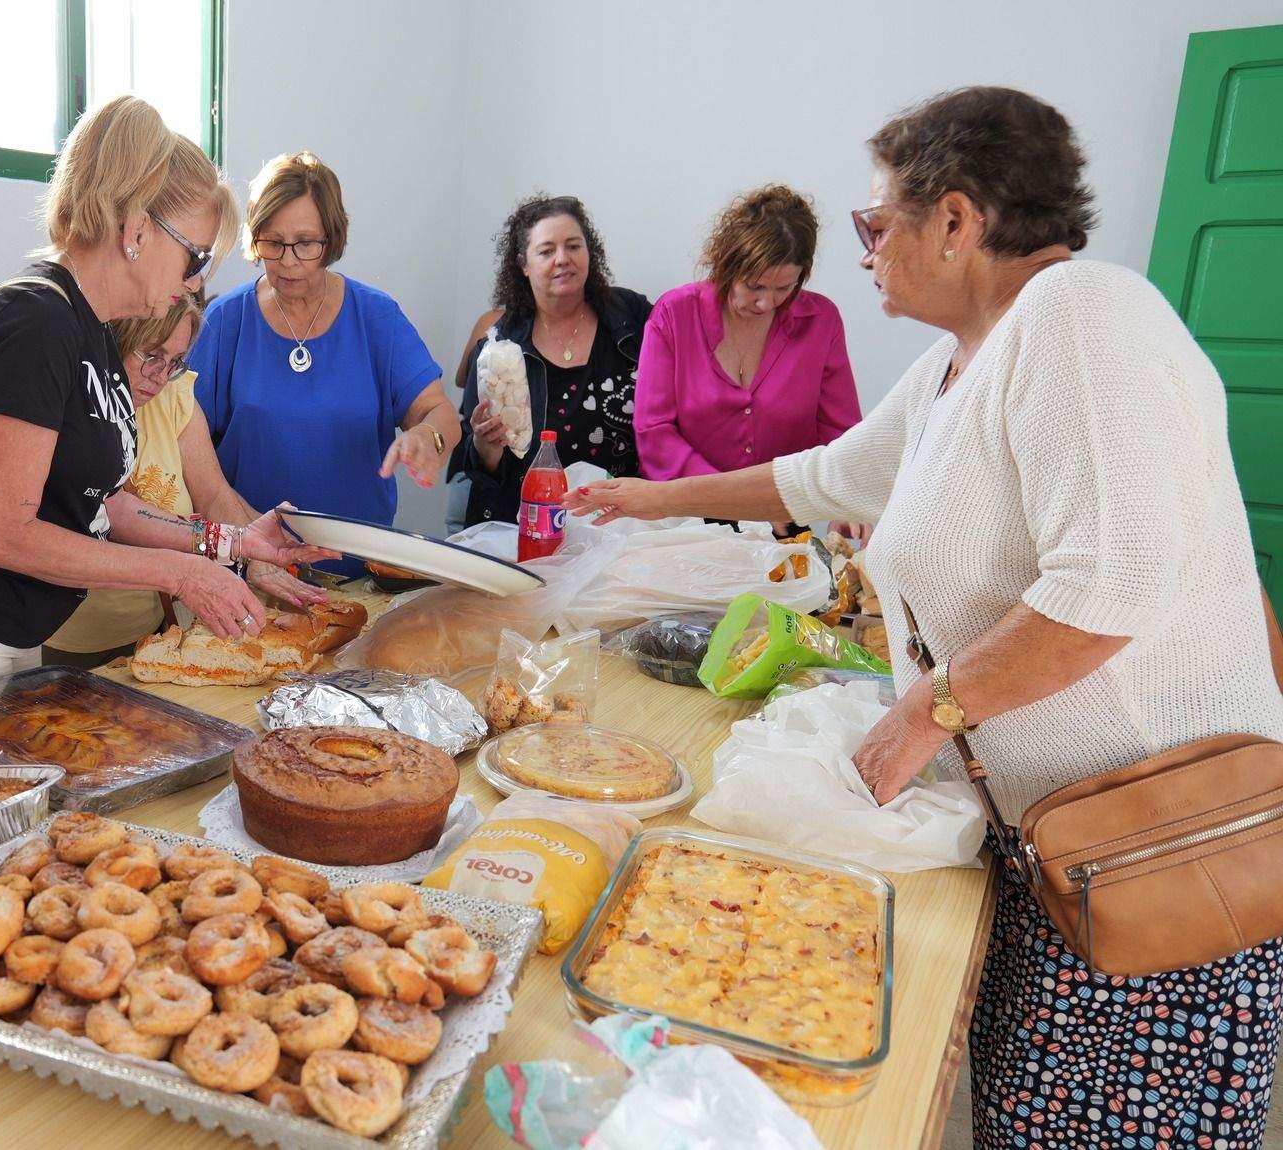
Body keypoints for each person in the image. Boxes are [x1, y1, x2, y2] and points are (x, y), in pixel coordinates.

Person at [568, 86, 1283, 1148]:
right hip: (1056, 846)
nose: (861, 252)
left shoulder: (1079, 315)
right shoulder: (962, 362)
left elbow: (1109, 586)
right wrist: (644, 496)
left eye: (872, 223)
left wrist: (919, 714)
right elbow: (825, 477)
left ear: (954, 220)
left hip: (1153, 845)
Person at [0, 97, 330, 703]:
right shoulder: (35, 321)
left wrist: (229, 543)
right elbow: (2, 535)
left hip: (11, 633)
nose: (197, 281)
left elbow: (100, 503)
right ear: (138, 230)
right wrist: (179, 573)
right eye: (196, 256)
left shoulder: (90, 331)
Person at [188, 151, 459, 559]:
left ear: (331, 239)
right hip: (253, 564)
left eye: (305, 244)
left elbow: (440, 413)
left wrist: (427, 436)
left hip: (360, 569)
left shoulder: (376, 317)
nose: (288, 261)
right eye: (273, 243)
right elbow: (184, 442)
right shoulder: (226, 321)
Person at [43, 293, 324, 666]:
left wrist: (250, 549)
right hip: (77, 631)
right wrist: (233, 548)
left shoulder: (174, 394)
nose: (160, 377)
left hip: (156, 622)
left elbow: (213, 495)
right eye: (151, 355)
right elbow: (115, 516)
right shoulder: (80, 402)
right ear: (118, 340)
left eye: (175, 362)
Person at [634, 185, 862, 488]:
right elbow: (653, 432)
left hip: (780, 519)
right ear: (726, 266)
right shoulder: (674, 315)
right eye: (755, 286)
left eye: (784, 289)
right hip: (685, 518)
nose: (767, 303)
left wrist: (847, 502)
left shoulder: (821, 321)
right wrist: (735, 498)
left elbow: (841, 433)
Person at [450, 194, 652, 526]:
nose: (563, 259)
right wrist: (487, 446)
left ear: (590, 251)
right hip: (525, 528)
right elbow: (478, 467)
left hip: (618, 527)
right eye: (546, 251)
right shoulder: (498, 347)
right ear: (523, 264)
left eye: (573, 246)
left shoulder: (631, 317)